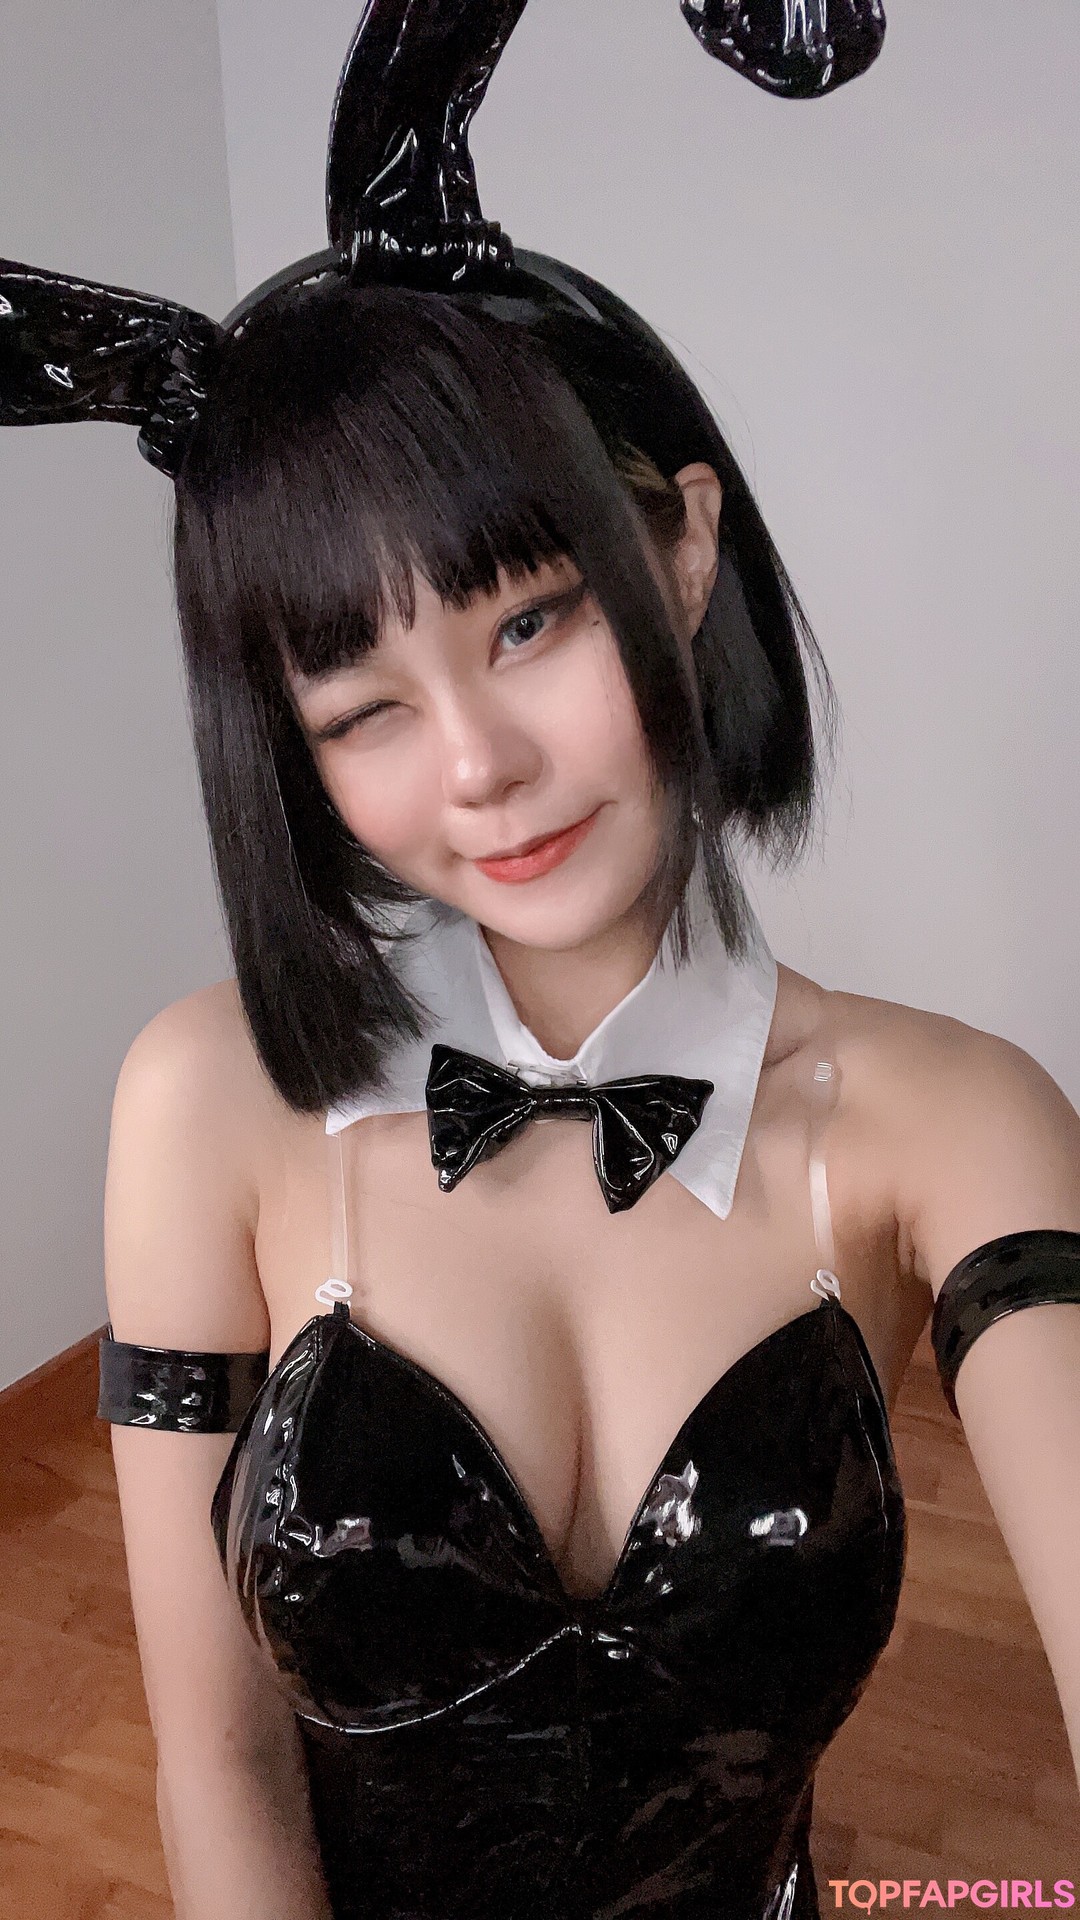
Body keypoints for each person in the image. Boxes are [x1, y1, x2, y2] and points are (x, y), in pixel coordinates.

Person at [4, 5, 1079, 1917]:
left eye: (526, 624)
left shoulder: (957, 1122)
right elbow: (220, 1763)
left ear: (681, 552)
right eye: (362, 707)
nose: (477, 768)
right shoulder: (207, 1104)